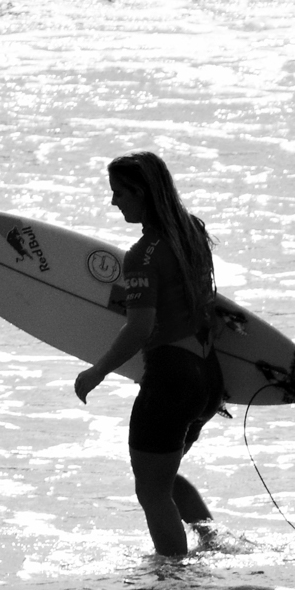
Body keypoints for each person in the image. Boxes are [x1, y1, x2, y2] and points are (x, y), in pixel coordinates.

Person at [74, 152, 223, 556]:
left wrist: (97, 372)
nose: (114, 202)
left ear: (141, 192)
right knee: (163, 479)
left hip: (171, 381)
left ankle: (173, 579)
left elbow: (139, 328)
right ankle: (215, 546)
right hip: (207, 378)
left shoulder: (142, 256)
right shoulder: (192, 234)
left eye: (119, 193)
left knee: (151, 492)